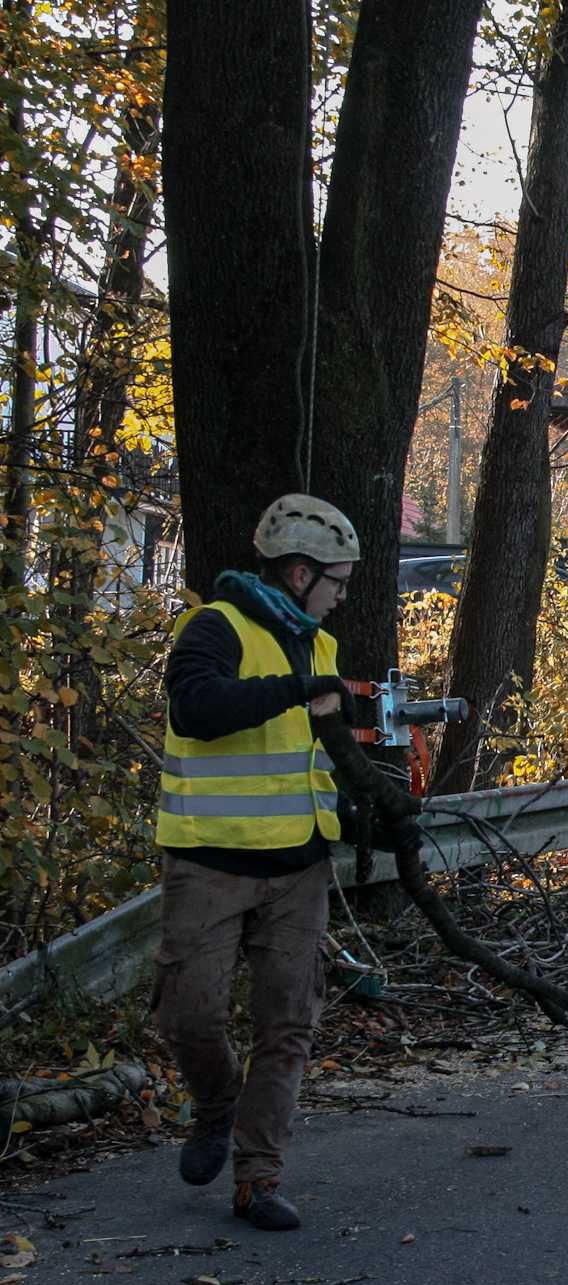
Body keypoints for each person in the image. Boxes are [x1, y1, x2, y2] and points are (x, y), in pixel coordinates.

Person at [153, 494, 418, 1231]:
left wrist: (374, 810)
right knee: (191, 1015)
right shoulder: (215, 627)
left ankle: (257, 1178)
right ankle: (216, 1104)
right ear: (299, 573)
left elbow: (318, 756)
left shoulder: (321, 648)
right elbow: (197, 709)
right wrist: (298, 691)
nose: (340, 597)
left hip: (299, 870)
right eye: (334, 581)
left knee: (287, 1024)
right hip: (209, 864)